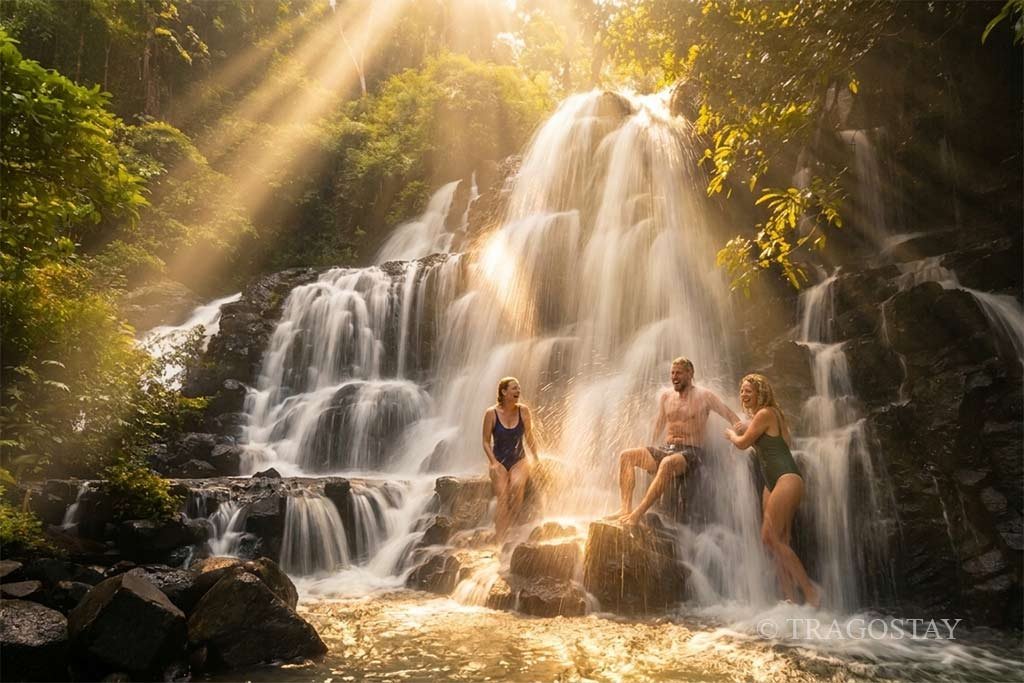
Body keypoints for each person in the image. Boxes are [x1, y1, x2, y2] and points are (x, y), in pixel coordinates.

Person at [725, 373, 819, 608]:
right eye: (742, 391)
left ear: (760, 393)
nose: (743, 395)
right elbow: (779, 442)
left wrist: (730, 434)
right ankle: (791, 601)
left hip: (787, 478)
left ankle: (812, 595)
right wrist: (746, 428)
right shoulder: (768, 416)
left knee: (769, 537)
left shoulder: (766, 413)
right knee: (778, 540)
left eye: (748, 390)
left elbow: (743, 444)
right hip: (773, 482)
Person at [612, 357, 740, 527]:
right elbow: (659, 425)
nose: (674, 376)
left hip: (692, 452)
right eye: (672, 373)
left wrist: (742, 434)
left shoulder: (705, 396)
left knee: (666, 463)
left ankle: (638, 513)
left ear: (690, 373)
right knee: (627, 456)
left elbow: (730, 415)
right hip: (667, 448)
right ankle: (625, 508)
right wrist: (647, 446)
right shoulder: (666, 397)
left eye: (678, 373)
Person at [482, 377, 539, 539]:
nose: (518, 391)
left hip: (519, 460)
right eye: (514, 388)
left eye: (519, 388)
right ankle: (500, 538)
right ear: (504, 392)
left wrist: (536, 457)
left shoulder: (523, 411)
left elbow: (530, 437)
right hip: (498, 460)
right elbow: (485, 441)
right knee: (502, 495)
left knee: (516, 485)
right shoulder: (491, 413)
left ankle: (514, 529)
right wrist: (493, 463)